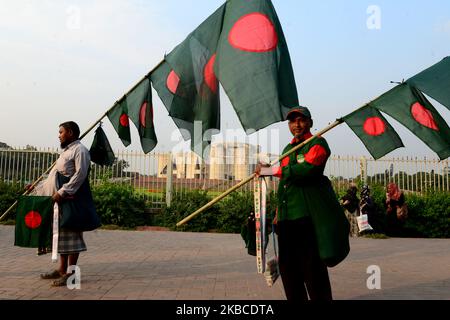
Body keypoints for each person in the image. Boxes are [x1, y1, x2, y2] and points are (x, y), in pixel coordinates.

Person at [255, 106, 350, 301]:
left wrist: (273, 170)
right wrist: (277, 212)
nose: (296, 125)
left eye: (301, 120)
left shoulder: (318, 144)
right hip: (286, 220)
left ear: (310, 123)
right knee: (289, 271)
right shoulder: (288, 149)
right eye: (292, 121)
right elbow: (284, 183)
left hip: (307, 218)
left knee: (312, 269)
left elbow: (307, 170)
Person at [28, 121, 99, 286]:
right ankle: (61, 269)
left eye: (61, 132)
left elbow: (80, 175)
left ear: (71, 133)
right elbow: (53, 178)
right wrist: (35, 188)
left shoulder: (80, 150)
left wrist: (62, 192)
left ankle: (71, 273)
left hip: (72, 200)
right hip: (60, 201)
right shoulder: (66, 152)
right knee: (62, 235)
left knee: (72, 235)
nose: (58, 135)